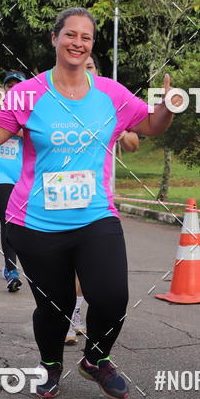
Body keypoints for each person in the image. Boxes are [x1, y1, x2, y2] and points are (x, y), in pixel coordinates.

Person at [0, 7, 174, 399]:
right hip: (35, 222)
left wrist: (166, 107)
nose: (77, 43)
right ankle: (51, 367)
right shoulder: (28, 93)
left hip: (95, 215)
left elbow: (149, 126)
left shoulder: (111, 93)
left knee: (113, 296)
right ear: (55, 39)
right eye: (70, 35)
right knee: (56, 305)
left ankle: (96, 359)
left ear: (91, 45)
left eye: (85, 37)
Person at [65, 54, 140, 344]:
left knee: (93, 270)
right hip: (59, 196)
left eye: (91, 66)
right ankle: (68, 313)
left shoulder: (110, 103)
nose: (84, 70)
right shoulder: (61, 103)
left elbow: (134, 143)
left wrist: (119, 131)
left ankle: (76, 315)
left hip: (98, 200)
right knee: (65, 266)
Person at [0, 72, 25, 292]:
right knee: (8, 219)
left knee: (23, 223)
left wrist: (17, 130)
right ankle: (11, 270)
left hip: (24, 175)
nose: (13, 89)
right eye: (9, 85)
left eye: (18, 86)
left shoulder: (32, 112)